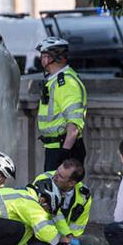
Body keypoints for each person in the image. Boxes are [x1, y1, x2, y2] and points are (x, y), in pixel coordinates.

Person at [34, 159, 121, 245]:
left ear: (71, 183)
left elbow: (78, 226)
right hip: (45, 236)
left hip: (69, 237)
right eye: (57, 172)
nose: (55, 176)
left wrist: (71, 239)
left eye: (60, 176)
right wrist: (64, 241)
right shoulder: (43, 182)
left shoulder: (84, 195)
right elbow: (39, 219)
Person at [35, 36, 88, 171]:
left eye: (43, 56)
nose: (41, 60)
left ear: (50, 58)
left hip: (63, 149)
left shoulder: (66, 83)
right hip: (55, 147)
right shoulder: (55, 80)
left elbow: (74, 125)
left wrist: (64, 153)